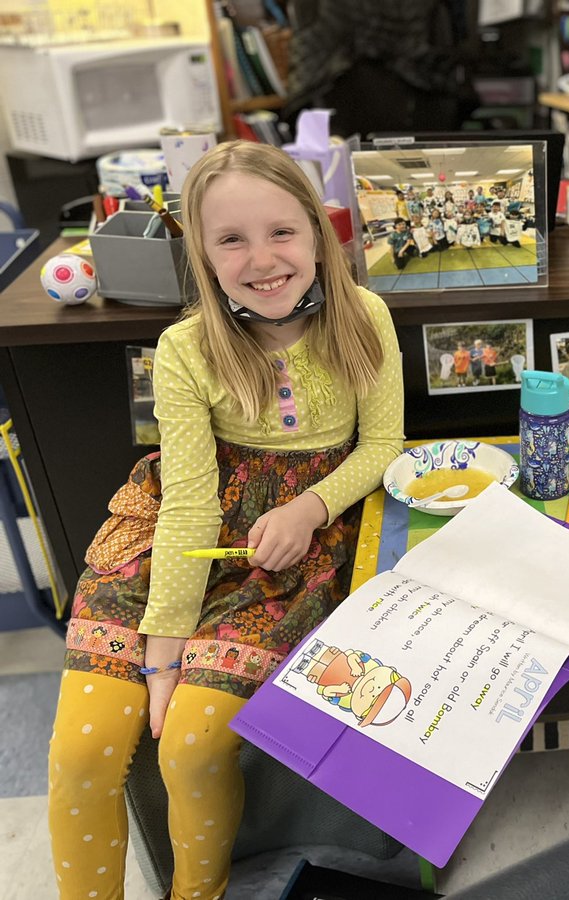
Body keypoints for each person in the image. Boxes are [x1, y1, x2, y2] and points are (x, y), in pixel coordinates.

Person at [46, 140, 406, 900]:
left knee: (192, 747)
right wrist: (162, 657)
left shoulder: (366, 315)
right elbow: (187, 503)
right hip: (170, 542)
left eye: (282, 232)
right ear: (204, 258)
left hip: (290, 553)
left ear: (318, 234)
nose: (263, 259)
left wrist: (311, 507)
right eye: (232, 240)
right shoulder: (184, 347)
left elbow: (383, 446)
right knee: (80, 756)